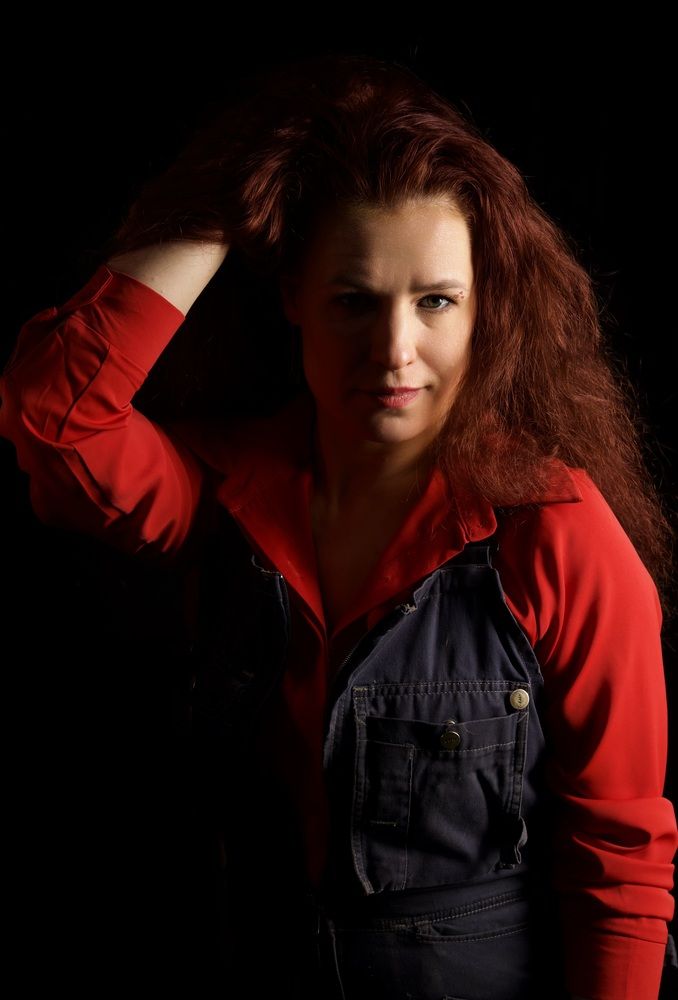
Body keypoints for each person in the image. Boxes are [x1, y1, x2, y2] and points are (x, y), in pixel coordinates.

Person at [1, 54, 677, 1000]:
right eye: (354, 300)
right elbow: (56, 414)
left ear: (484, 309)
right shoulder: (221, 497)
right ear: (294, 297)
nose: (395, 350)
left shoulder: (556, 534)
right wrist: (238, 201)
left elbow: (619, 858)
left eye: (436, 301)